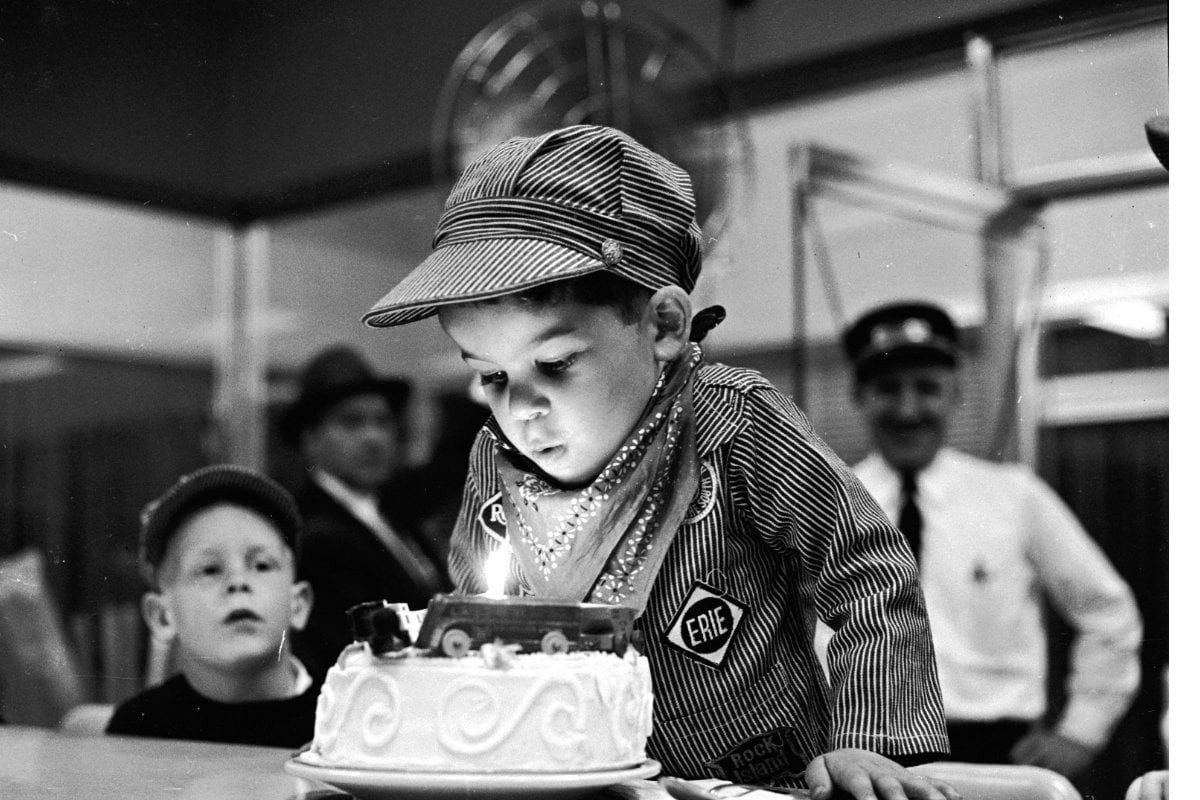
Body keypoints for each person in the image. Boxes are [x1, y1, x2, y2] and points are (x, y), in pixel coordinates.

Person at [361, 124, 957, 800]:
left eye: (554, 365)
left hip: (767, 784)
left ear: (665, 326)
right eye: (491, 377)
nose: (521, 408)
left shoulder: (734, 422)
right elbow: (483, 622)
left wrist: (870, 743)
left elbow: (867, 571)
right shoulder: (492, 462)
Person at [842, 301, 1143, 779]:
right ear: (858, 396)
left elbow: (1108, 612)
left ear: (956, 394)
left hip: (996, 757)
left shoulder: (1013, 496)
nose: (908, 410)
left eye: (927, 388)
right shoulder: (829, 502)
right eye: (886, 389)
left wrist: (1080, 733)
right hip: (869, 759)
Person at [105, 465, 318, 747]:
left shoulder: (344, 722)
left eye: (262, 565)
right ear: (162, 617)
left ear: (298, 605)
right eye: (210, 570)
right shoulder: (139, 729)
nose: (238, 582)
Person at [280, 345, 447, 682]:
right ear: (310, 439)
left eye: (382, 422)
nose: (373, 438)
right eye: (351, 422)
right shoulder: (312, 531)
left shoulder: (392, 514)